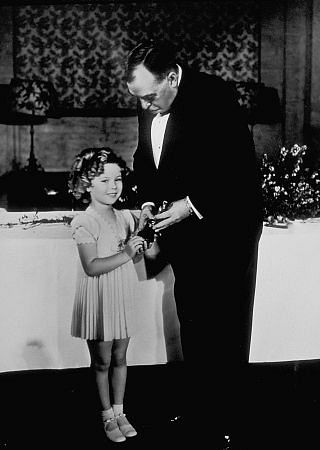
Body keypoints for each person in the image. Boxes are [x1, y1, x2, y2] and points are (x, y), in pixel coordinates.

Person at [125, 40, 263, 446]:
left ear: (172, 77)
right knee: (194, 321)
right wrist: (149, 200)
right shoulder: (151, 98)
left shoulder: (214, 95)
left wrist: (190, 204)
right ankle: (201, 410)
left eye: (150, 96)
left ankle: (227, 421)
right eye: (139, 98)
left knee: (223, 325)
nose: (146, 105)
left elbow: (236, 168)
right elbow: (145, 158)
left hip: (225, 229)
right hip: (184, 231)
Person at [68, 147, 148, 443]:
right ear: (86, 184)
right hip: (100, 298)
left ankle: (120, 410)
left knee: (120, 357)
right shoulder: (84, 221)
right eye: (104, 180)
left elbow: (136, 259)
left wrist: (141, 245)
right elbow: (91, 267)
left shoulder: (125, 216)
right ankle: (106, 415)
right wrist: (127, 252)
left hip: (122, 294)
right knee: (101, 361)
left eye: (118, 179)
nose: (113, 186)